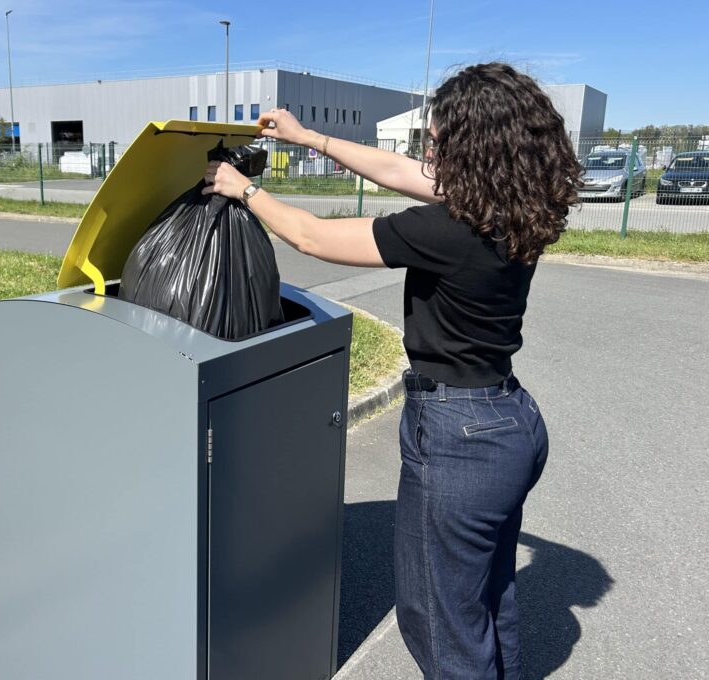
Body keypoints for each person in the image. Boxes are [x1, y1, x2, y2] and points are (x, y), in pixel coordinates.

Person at [203, 62, 583, 680]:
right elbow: (399, 172)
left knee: (440, 627)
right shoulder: (518, 205)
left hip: (459, 439)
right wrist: (311, 139)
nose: (426, 153)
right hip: (510, 423)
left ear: (473, 149)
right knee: (489, 604)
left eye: (437, 141)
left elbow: (312, 236)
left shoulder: (448, 229)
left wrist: (240, 188)